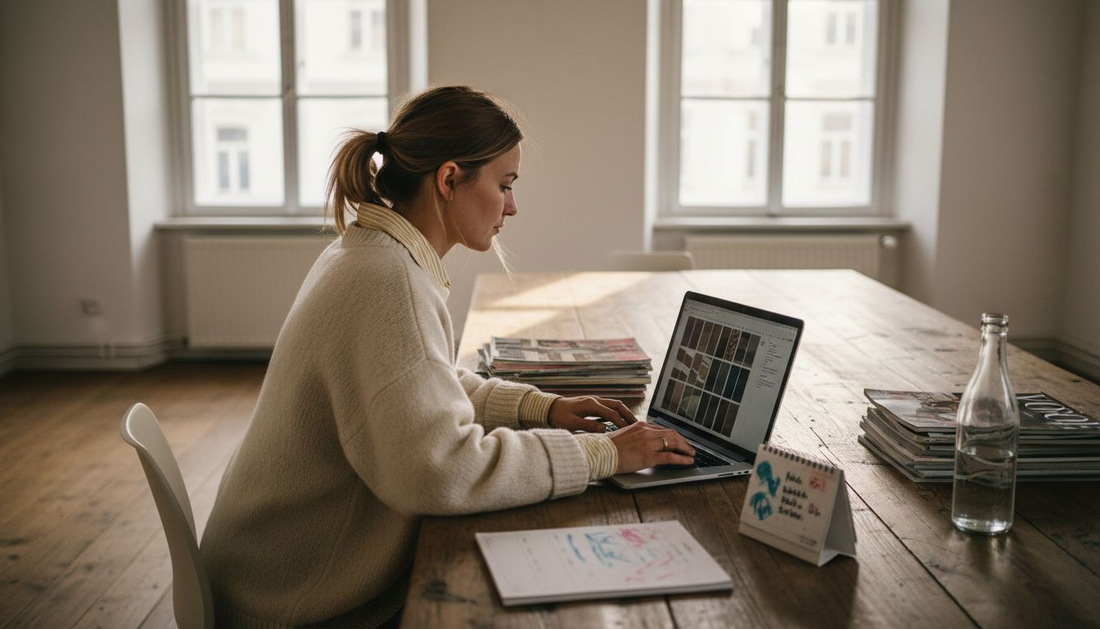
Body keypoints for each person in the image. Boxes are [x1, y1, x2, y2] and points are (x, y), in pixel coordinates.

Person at [200, 85, 696, 628]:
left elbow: (425, 381)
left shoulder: (371, 252)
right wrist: (603, 455)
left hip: (268, 574)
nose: (513, 205)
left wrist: (540, 407)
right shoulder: (388, 282)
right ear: (450, 179)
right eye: (504, 185)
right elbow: (441, 472)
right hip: (292, 602)